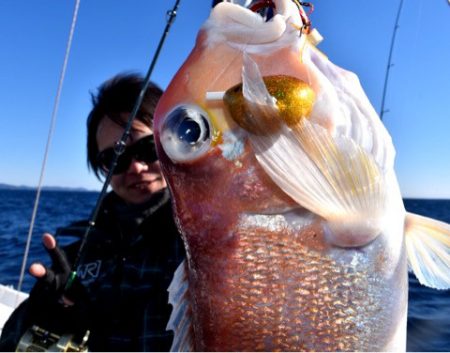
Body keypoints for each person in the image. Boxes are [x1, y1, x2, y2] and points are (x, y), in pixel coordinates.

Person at [0, 73, 185, 352]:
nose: (135, 167)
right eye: (114, 158)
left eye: (148, 149)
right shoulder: (80, 251)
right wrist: (50, 309)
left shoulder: (207, 235)